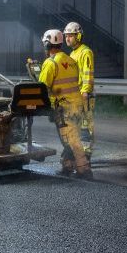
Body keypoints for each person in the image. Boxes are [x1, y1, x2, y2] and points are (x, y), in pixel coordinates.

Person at [39, 29, 92, 179]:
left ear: (47, 44)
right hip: (76, 105)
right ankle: (67, 166)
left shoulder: (50, 63)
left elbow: (42, 88)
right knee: (70, 137)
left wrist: (48, 108)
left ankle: (84, 170)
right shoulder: (71, 61)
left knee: (71, 141)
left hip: (63, 108)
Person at [64, 22, 95, 160]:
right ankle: (78, 152)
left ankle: (86, 154)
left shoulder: (85, 52)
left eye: (71, 36)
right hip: (75, 95)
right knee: (75, 125)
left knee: (85, 125)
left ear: (79, 36)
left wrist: (85, 92)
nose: (67, 39)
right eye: (66, 36)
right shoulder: (73, 53)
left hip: (84, 95)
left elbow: (88, 73)